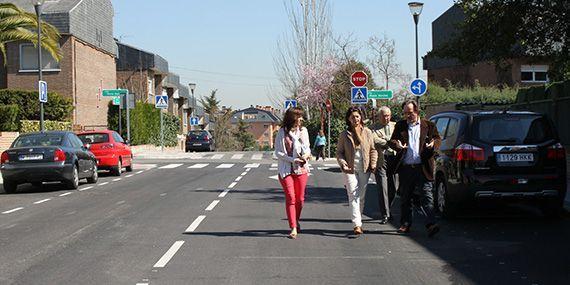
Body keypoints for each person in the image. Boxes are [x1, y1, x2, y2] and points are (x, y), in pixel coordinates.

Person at [388, 100, 441, 237]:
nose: (407, 116)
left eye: (410, 113)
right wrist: (397, 145)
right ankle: (405, 223)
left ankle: (431, 224)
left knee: (426, 196)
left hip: (422, 167)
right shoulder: (400, 125)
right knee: (406, 197)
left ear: (416, 111)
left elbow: (437, 139)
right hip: (406, 168)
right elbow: (392, 141)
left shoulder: (429, 125)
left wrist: (433, 145)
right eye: (405, 113)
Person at [337, 106, 378, 235]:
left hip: (364, 168)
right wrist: (343, 164)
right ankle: (357, 224)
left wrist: (373, 163)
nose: (355, 119)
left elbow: (373, 149)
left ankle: (358, 219)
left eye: (357, 116)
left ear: (361, 118)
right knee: (353, 195)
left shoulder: (367, 132)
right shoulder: (344, 134)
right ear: (348, 119)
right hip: (350, 169)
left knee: (361, 195)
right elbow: (339, 153)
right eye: (352, 117)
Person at [274, 107, 311, 239]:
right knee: (291, 197)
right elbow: (278, 152)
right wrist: (291, 159)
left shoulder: (304, 131)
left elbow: (307, 148)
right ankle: (293, 227)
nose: (300, 119)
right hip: (286, 169)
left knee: (300, 199)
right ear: (292, 118)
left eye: (301, 117)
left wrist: (305, 157)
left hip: (301, 169)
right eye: (298, 116)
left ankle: (296, 220)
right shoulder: (282, 132)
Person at [370, 106, 398, 224]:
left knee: (394, 188)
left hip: (395, 159)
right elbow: (374, 140)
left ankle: (388, 209)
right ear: (379, 116)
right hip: (381, 159)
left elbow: (399, 139)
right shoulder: (373, 128)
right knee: (382, 187)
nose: (386, 118)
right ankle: (385, 214)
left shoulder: (395, 126)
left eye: (388, 115)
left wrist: (386, 140)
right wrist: (389, 142)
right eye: (384, 116)